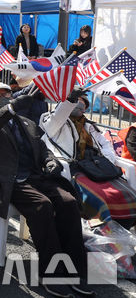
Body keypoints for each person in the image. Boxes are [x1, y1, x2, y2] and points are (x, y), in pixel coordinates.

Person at [0, 83, 94, 298]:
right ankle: (51, 273)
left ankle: (74, 270)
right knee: (42, 206)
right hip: (10, 180)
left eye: (6, 93)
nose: (3, 96)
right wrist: (10, 108)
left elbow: (43, 147)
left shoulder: (28, 122)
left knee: (68, 202)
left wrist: (49, 161)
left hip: (36, 176)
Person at [41, 91, 136, 227]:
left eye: (83, 104)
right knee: (101, 199)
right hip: (74, 168)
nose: (79, 105)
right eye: (76, 101)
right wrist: (69, 100)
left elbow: (105, 145)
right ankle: (102, 231)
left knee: (129, 195)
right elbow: (59, 116)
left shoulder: (89, 125)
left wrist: (105, 160)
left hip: (96, 167)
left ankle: (120, 231)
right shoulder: (52, 120)